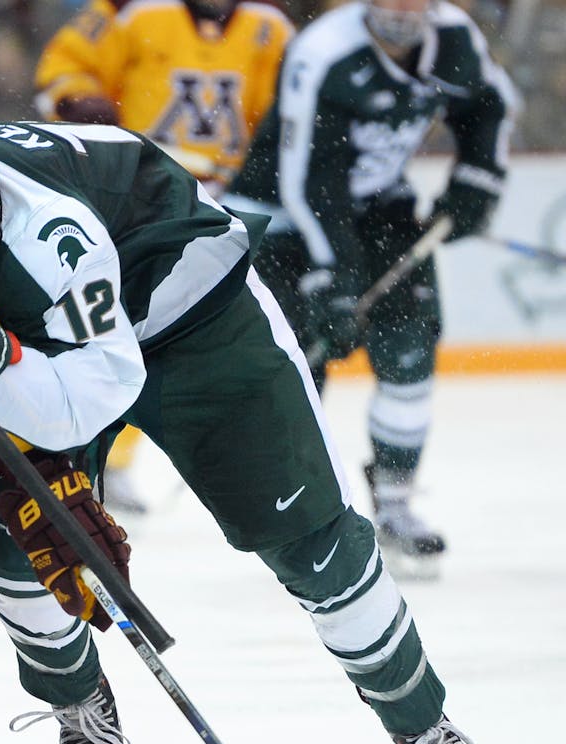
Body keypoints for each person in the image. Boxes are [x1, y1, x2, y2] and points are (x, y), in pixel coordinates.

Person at [0, 75, 532, 744]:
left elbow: (94, 390)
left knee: (316, 542)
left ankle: (425, 730)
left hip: (194, 320)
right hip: (46, 345)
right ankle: (81, 705)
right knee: (19, 541)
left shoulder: (47, 229)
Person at [221, 0, 516, 576]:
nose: (401, 8)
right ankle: (298, 507)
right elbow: (309, 181)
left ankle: (397, 499)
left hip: (380, 206)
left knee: (410, 347)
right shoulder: (324, 54)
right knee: (300, 365)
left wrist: (477, 182)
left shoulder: (455, 40)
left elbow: (490, 108)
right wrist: (333, 277)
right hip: (283, 212)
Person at [33, 0, 296, 514]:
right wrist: (79, 100)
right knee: (121, 326)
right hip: (141, 194)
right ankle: (93, 453)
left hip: (229, 203)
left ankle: (189, 457)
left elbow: (291, 114)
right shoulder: (135, 13)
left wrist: (264, 177)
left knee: (214, 332)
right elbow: (61, 69)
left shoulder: (272, 29)